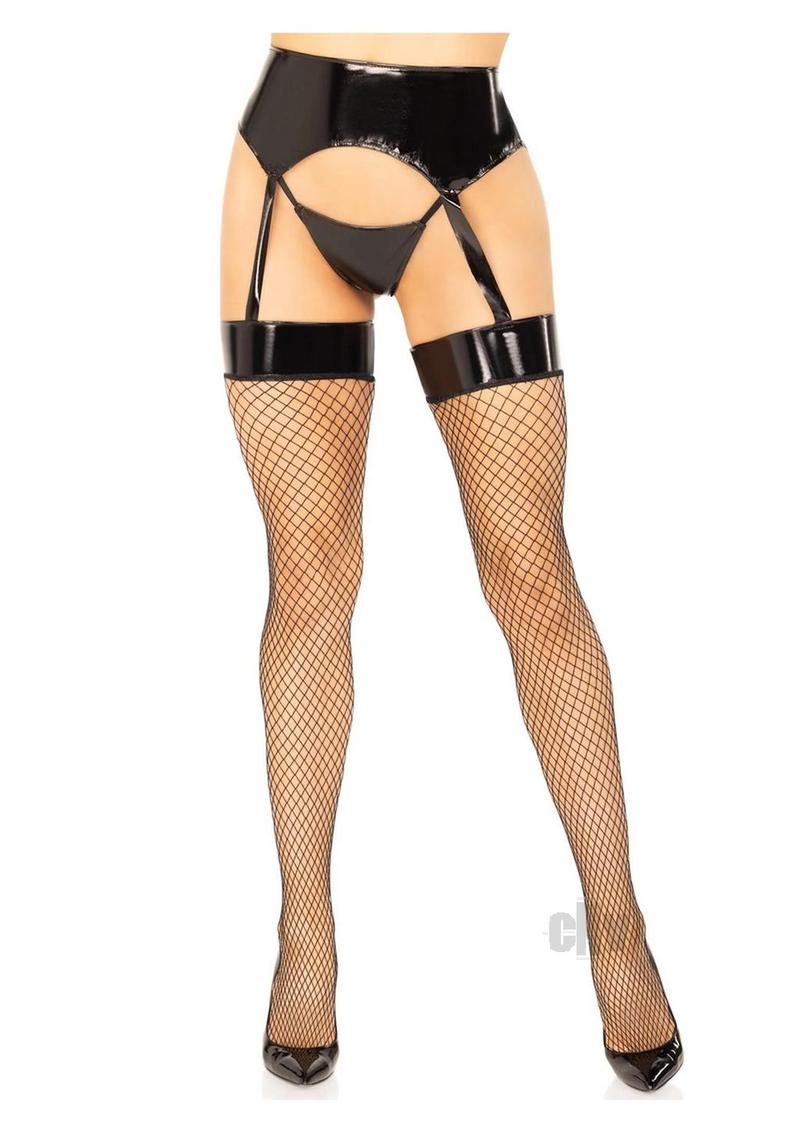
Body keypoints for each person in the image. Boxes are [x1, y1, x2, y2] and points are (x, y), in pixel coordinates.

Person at [220, 32, 683, 1091]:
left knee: (532, 578)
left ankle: (616, 931)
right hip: (285, 168)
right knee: (309, 576)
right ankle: (304, 935)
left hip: (463, 172)